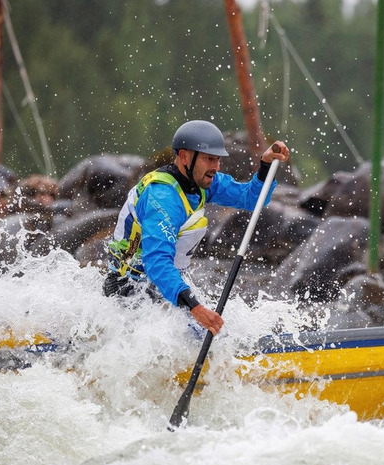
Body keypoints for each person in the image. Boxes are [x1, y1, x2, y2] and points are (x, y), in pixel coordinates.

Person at [103, 119, 290, 336]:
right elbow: (156, 261)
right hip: (129, 293)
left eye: (218, 160)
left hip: (162, 290)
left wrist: (266, 165)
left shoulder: (201, 183)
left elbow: (251, 199)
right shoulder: (162, 197)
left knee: (212, 335)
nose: (216, 167)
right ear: (184, 156)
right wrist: (195, 307)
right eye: (209, 159)